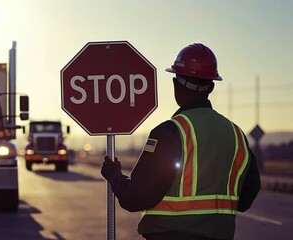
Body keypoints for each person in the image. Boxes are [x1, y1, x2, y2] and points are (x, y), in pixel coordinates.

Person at [101, 43, 261, 240]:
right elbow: (245, 199)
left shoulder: (170, 132)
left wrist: (114, 175)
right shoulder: (236, 135)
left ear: (176, 85)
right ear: (211, 87)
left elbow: (135, 198)